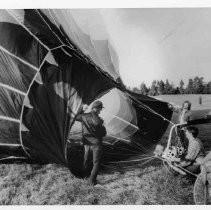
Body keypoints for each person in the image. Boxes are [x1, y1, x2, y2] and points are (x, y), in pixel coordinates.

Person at [75, 100, 107, 185]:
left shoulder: (83, 116)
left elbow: (76, 116)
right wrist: (103, 127)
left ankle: (84, 176)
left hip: (86, 143)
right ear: (97, 109)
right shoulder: (100, 121)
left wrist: (82, 109)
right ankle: (91, 181)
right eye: (100, 109)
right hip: (96, 144)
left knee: (86, 159)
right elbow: (103, 134)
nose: (100, 111)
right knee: (96, 163)